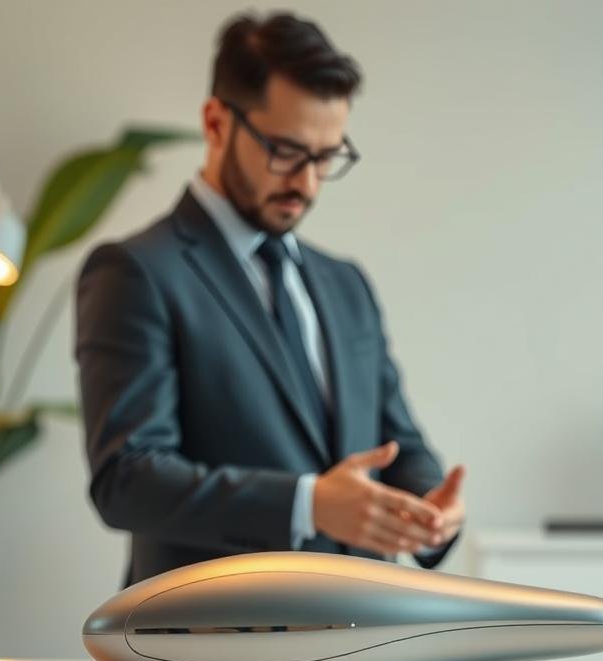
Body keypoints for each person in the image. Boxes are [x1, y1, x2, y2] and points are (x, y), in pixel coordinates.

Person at [75, 12, 465, 587]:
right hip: (214, 650)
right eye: (286, 151)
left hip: (364, 638)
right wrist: (307, 504)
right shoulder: (136, 272)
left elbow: (397, 442)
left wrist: (431, 507)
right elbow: (127, 479)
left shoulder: (345, 283)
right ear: (215, 123)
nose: (307, 183)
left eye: (327, 157)